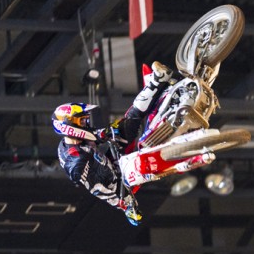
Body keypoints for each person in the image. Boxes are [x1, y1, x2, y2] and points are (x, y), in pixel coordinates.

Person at [52, 61, 173, 225]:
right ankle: (188, 154)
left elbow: (94, 136)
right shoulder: (76, 164)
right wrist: (125, 205)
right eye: (82, 121)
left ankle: (157, 81)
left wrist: (105, 133)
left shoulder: (74, 139)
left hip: (113, 157)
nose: (86, 124)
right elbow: (98, 189)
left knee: (130, 119)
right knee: (147, 151)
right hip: (121, 182)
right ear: (69, 126)